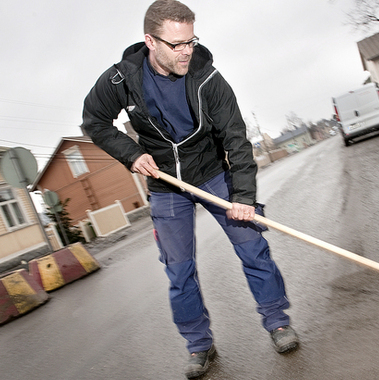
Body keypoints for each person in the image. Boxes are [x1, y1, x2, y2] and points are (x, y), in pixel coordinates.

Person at [82, 1, 298, 378]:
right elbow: (95, 122)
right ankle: (199, 345)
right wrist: (131, 154)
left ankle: (278, 323)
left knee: (253, 249)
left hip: (212, 173)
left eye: (191, 41)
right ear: (150, 41)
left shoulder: (209, 79)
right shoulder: (121, 80)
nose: (187, 50)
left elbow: (237, 139)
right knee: (179, 272)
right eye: (177, 43)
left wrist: (243, 198)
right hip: (165, 185)